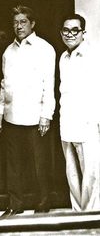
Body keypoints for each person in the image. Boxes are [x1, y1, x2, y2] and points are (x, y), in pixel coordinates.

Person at [0, 5, 56, 217]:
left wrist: (46, 115)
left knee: (40, 162)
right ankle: (15, 204)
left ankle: (43, 201)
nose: (18, 26)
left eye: (23, 22)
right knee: (13, 164)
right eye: (15, 22)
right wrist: (0, 110)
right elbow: (5, 83)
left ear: (32, 24)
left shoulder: (45, 49)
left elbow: (49, 84)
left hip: (35, 116)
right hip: (12, 116)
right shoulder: (8, 51)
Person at [59, 14, 100, 211]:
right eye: (66, 30)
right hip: (67, 123)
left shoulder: (93, 56)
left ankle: (92, 218)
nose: (70, 34)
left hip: (88, 124)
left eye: (75, 30)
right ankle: (77, 217)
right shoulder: (63, 58)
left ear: (83, 33)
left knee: (91, 176)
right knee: (72, 175)